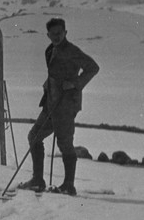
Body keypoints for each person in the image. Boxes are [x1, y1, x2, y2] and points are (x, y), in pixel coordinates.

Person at [17, 17, 99, 195]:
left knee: (65, 144)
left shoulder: (72, 51)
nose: (56, 36)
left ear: (65, 33)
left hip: (66, 105)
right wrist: (49, 83)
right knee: (34, 136)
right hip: (50, 104)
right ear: (48, 35)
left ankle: (68, 185)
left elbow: (93, 67)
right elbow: (55, 73)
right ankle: (38, 180)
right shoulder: (50, 50)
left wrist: (74, 83)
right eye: (53, 34)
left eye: (59, 33)